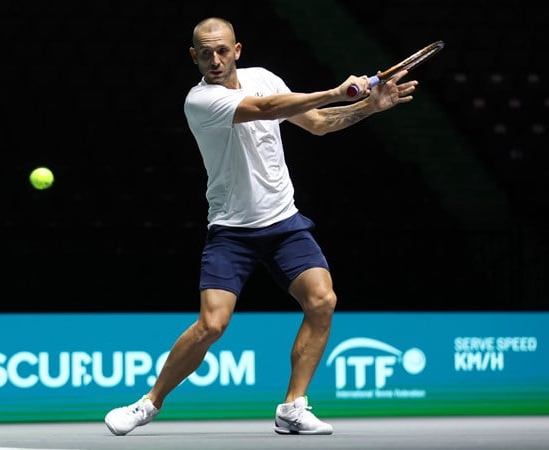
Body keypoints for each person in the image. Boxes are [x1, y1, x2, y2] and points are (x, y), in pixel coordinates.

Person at [104, 17, 418, 436]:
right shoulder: (199, 101)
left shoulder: (264, 78)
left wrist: (367, 106)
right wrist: (334, 91)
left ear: (237, 51)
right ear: (193, 56)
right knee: (212, 325)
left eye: (222, 51)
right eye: (205, 52)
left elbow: (318, 124)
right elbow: (266, 109)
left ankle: (293, 407)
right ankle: (148, 403)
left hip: (284, 222)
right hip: (232, 230)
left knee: (322, 301)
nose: (214, 59)